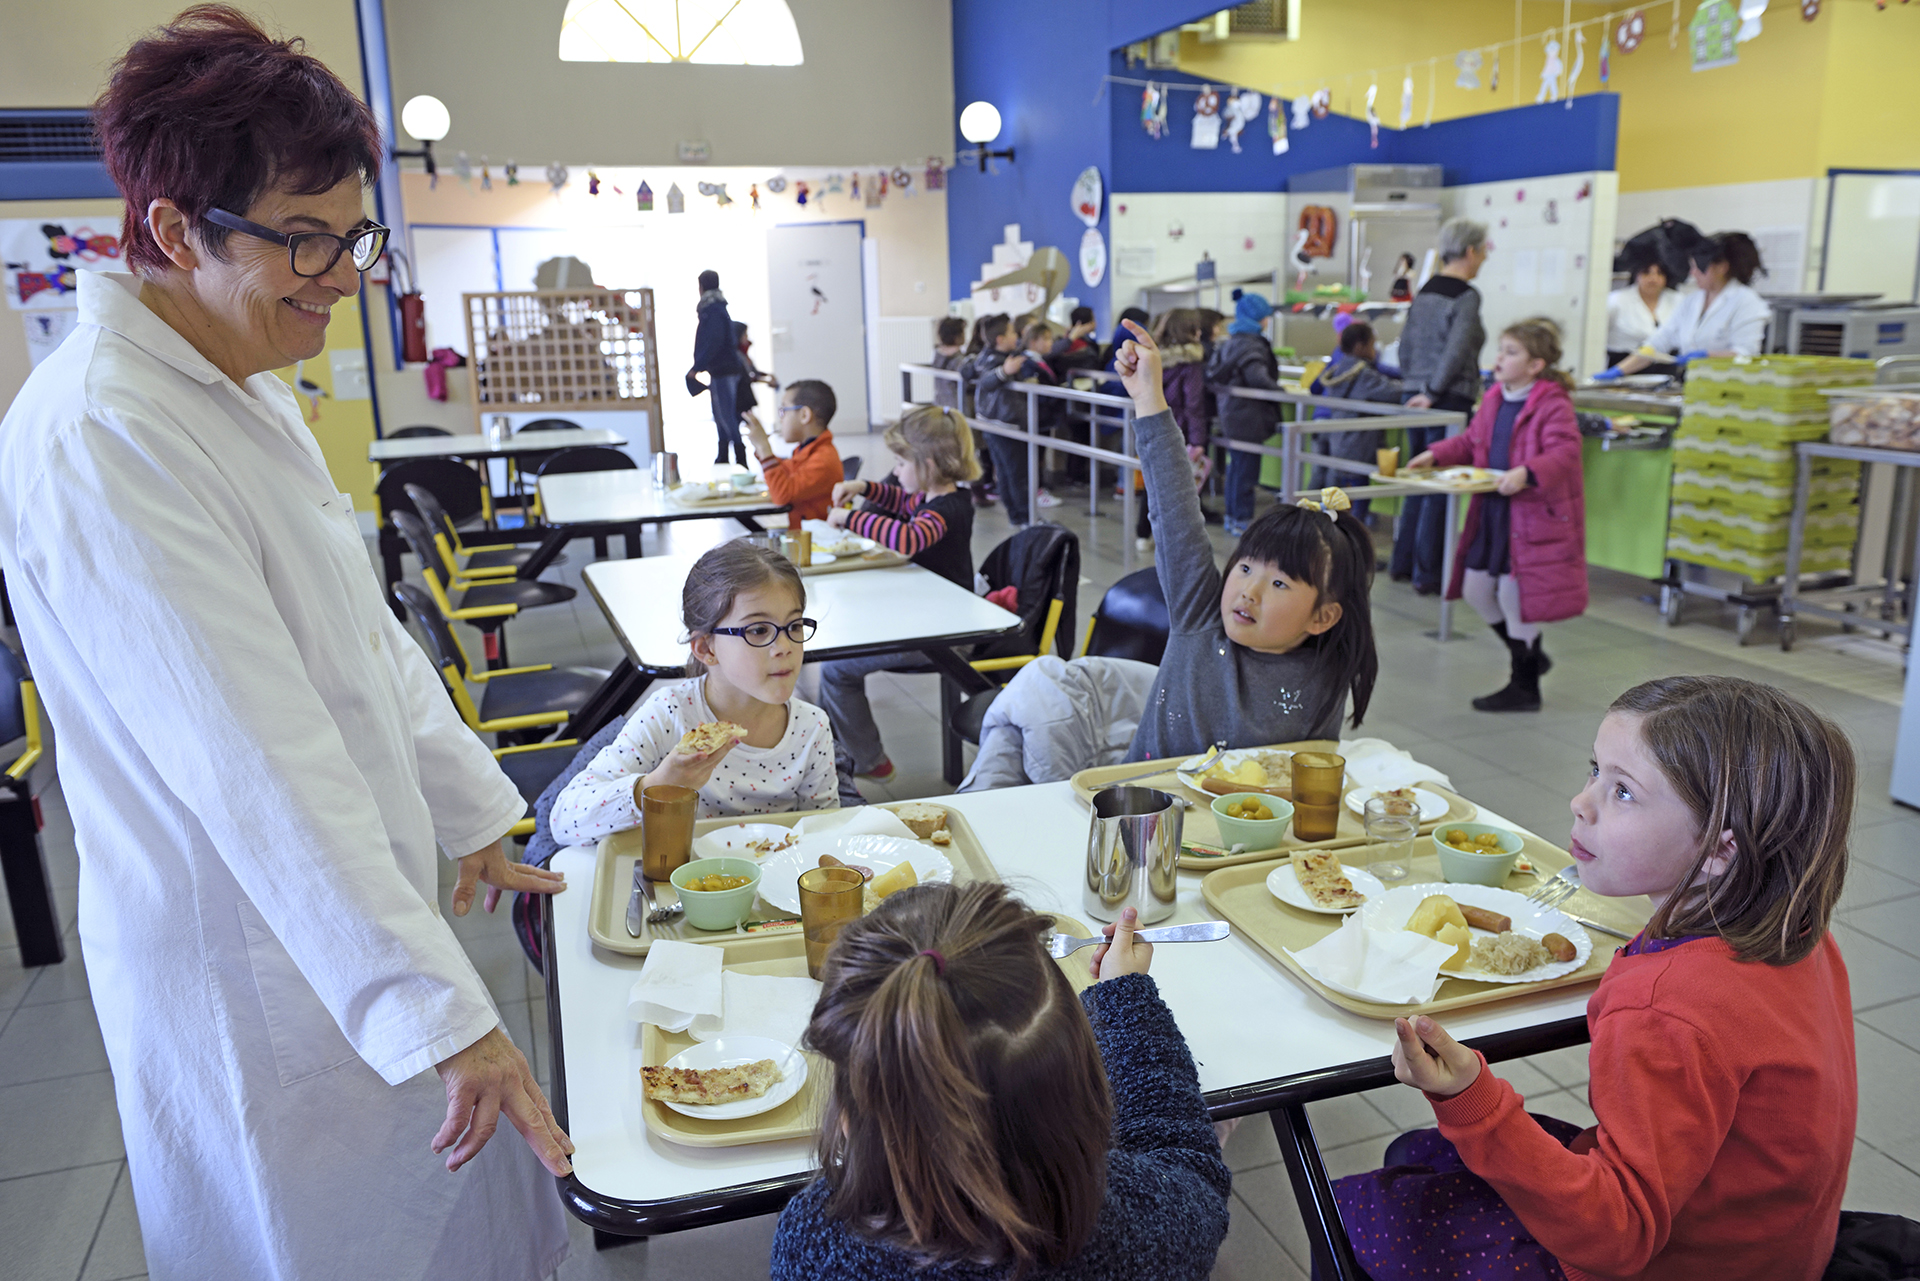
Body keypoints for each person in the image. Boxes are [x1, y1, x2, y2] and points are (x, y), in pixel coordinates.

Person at [0, 11, 572, 1278]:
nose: (339, 273)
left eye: (352, 235)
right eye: (302, 240)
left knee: (445, 1223)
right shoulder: (106, 433)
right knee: (326, 1239)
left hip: (344, 913)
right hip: (250, 960)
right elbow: (252, 757)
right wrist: (435, 1009)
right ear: (170, 229)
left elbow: (361, 641)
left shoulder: (244, 382)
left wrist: (471, 808)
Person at [1336, 676, 1856, 1281]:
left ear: (1718, 850)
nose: (1581, 802)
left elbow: (1617, 1234)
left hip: (1670, 1261)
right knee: (1418, 1153)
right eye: (1594, 772)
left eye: (1624, 793)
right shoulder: (1797, 933)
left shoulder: (1668, 1011)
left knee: (1349, 1211)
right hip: (1771, 1247)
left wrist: (1467, 1096)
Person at [768, 882, 1232, 1280]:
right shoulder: (1143, 1225)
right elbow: (1191, 1169)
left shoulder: (813, 1243)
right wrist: (1124, 997)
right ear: (1086, 1089)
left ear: (847, 1117)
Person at [1115, 320, 1378, 761]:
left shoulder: (1325, 677)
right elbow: (1175, 511)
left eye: (1279, 584)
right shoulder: (1200, 616)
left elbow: (1310, 782)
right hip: (1143, 815)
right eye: (1245, 567)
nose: (1248, 591)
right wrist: (1148, 398)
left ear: (1322, 617)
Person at [551, 541, 837, 832]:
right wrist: (656, 784)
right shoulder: (669, 714)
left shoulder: (811, 726)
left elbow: (826, 830)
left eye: (794, 626)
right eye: (759, 630)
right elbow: (564, 818)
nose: (784, 647)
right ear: (705, 648)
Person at [1410, 318, 1585, 713]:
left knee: (1514, 596)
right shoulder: (1494, 397)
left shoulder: (1552, 402)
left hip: (1530, 516)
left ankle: (1524, 686)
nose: (1499, 359)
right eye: (1501, 350)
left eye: (1511, 352)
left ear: (1536, 364)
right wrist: (1437, 453)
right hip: (1492, 510)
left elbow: (1566, 452)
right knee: (1475, 589)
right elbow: (1473, 441)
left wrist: (1527, 472)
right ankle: (1529, 655)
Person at [818, 406, 981, 781]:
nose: (895, 471)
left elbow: (907, 540)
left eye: (900, 462)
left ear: (929, 465)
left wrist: (850, 516)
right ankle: (843, 752)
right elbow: (897, 499)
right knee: (840, 654)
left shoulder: (947, 508)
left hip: (943, 634)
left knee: (837, 669)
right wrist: (863, 488)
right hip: (924, 620)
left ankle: (870, 761)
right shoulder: (927, 497)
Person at [1393, 217, 1489, 594]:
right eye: (1482, 252)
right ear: (1470, 252)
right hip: (1445, 398)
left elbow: (1404, 346)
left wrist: (1413, 385)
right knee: (1440, 482)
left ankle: (1404, 562)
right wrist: (1433, 390)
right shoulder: (1466, 296)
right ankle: (1429, 571)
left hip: (1412, 394)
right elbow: (1458, 347)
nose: (1483, 259)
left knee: (1416, 479)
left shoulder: (1425, 291)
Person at [1598, 232, 1771, 379]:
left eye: (1698, 268)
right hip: (1694, 383)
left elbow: (1747, 354)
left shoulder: (1746, 302)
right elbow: (1659, 342)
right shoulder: (1691, 301)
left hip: (1728, 386)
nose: (1693, 273)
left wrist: (1707, 356)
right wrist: (1618, 371)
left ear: (1722, 268)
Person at [1207, 289, 1282, 536]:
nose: (1267, 321)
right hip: (1249, 417)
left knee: (1237, 468)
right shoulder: (1251, 345)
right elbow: (1257, 378)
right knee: (1246, 471)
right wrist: (1281, 392)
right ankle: (1241, 520)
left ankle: (1233, 516)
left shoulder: (1231, 343)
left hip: (1231, 413)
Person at [1308, 320, 1404, 509]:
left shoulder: (1338, 368)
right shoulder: (1363, 375)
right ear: (1360, 347)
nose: (1375, 350)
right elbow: (1392, 392)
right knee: (1360, 493)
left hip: (1339, 440)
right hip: (1360, 445)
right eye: (1372, 344)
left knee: (1333, 489)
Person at [1137, 308, 1212, 549]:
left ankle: (1143, 533)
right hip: (1180, 431)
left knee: (1154, 482)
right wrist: (1199, 439)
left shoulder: (1153, 358)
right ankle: (1173, 541)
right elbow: (1194, 404)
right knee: (1180, 489)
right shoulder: (1191, 363)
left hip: (1152, 426)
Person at [745, 378, 841, 528]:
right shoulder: (806, 449)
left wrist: (765, 448)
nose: (781, 419)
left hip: (817, 542)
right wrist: (760, 447)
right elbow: (784, 472)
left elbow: (781, 495)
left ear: (804, 415)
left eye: (783, 410)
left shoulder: (823, 459)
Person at [970, 312, 1036, 526]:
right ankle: (1025, 517)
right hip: (1005, 425)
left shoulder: (992, 355)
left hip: (995, 424)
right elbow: (987, 381)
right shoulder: (993, 361)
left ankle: (1016, 516)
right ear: (1000, 339)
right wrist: (1004, 372)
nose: (1016, 336)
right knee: (1016, 475)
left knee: (1008, 474)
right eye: (1011, 332)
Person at [690, 267, 746, 465]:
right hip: (721, 370)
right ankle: (723, 456)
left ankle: (740, 458)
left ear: (702, 286)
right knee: (721, 413)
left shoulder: (712, 309)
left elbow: (713, 340)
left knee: (725, 414)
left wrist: (698, 365)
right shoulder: (717, 306)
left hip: (723, 370)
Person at [1604, 258, 1679, 367]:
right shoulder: (1615, 300)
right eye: (1646, 273)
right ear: (1636, 275)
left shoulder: (1678, 300)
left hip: (1666, 368)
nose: (1653, 279)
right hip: (1622, 367)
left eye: (1660, 273)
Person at [731, 318, 779, 429]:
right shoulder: (735, 356)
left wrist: (767, 376)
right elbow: (746, 377)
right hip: (739, 398)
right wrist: (765, 380)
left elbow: (753, 372)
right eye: (745, 335)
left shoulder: (743, 353)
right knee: (745, 422)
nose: (747, 338)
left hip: (745, 396)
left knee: (749, 421)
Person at [930, 314, 968, 410]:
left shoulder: (937, 354)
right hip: (957, 406)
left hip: (940, 402)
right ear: (957, 336)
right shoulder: (960, 360)